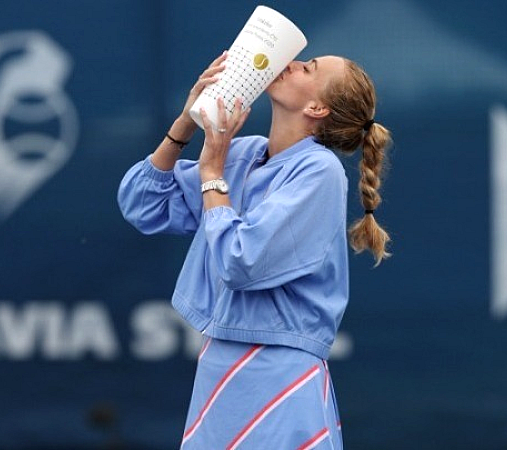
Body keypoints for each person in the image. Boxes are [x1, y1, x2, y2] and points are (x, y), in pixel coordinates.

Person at [118, 50, 392, 449]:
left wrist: (212, 174)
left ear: (317, 107)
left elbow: (240, 262)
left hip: (281, 373)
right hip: (219, 366)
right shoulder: (243, 152)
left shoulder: (320, 172)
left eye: (309, 68)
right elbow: (142, 204)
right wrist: (186, 122)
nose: (294, 63)